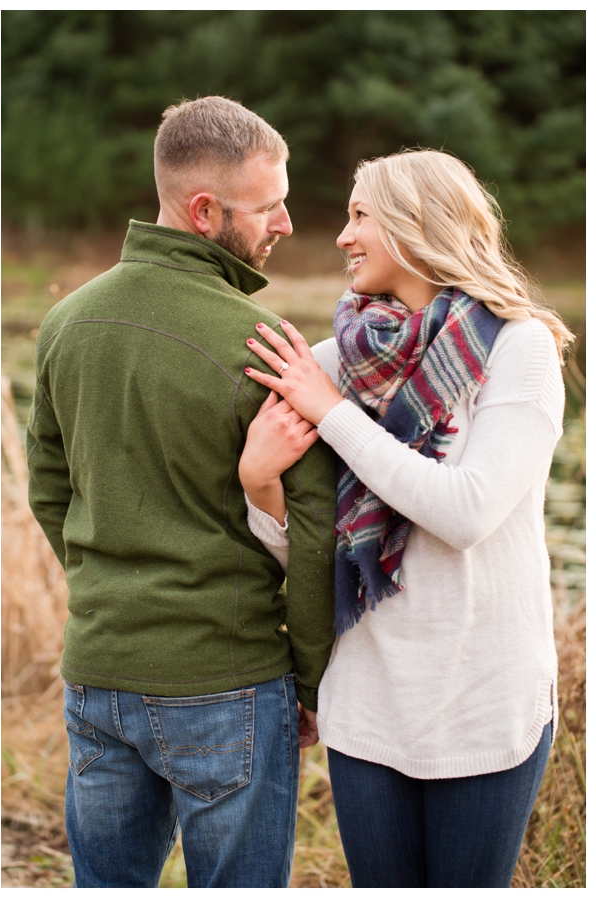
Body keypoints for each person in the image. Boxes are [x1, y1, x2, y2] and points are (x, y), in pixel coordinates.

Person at [25, 96, 339, 888]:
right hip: (226, 683)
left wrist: (110, 596)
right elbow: (314, 535)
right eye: (269, 206)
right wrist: (309, 680)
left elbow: (49, 492)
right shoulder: (262, 347)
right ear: (204, 211)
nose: (288, 223)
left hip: (98, 675)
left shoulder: (66, 321)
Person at [240, 149, 571, 887]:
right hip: (368, 701)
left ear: (415, 225)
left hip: (486, 701)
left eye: (360, 215)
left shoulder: (520, 351)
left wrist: (331, 416)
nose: (341, 236)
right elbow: (308, 551)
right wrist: (259, 486)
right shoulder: (332, 360)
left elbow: (467, 511)